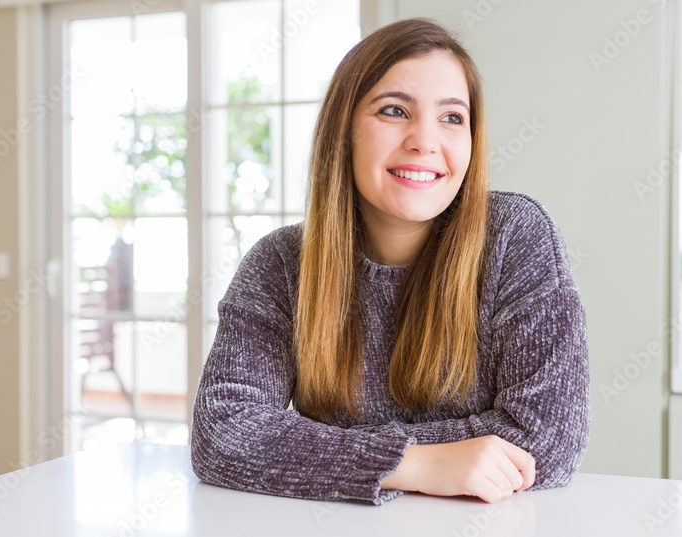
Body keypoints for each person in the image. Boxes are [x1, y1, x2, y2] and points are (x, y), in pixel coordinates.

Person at [190, 17, 590, 506]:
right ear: (345, 132)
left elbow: (547, 441)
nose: (425, 140)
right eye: (395, 110)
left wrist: (306, 446)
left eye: (451, 118)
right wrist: (414, 462)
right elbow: (224, 433)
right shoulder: (279, 263)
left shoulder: (514, 236)